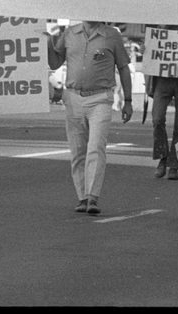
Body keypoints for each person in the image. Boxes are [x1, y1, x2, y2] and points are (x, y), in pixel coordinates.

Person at [48, 20, 133, 215]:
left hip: (100, 98)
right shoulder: (70, 33)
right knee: (78, 150)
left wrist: (127, 99)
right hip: (73, 97)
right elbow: (55, 62)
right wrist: (48, 41)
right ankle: (82, 197)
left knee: (95, 147)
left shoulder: (111, 35)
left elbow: (123, 67)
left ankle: (92, 196)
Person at [148, 25, 178, 180]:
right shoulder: (161, 23)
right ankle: (163, 157)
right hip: (163, 78)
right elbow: (152, 46)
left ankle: (174, 164)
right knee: (157, 119)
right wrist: (147, 49)